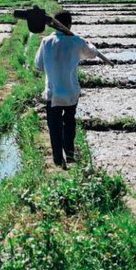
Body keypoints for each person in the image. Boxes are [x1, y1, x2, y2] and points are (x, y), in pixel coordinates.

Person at [33, 9, 112, 168]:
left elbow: (39, 65)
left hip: (52, 92)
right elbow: (91, 53)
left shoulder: (46, 42)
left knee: (54, 126)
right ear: (69, 24)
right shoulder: (76, 41)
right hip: (70, 92)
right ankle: (69, 154)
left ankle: (57, 159)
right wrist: (89, 44)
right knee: (69, 123)